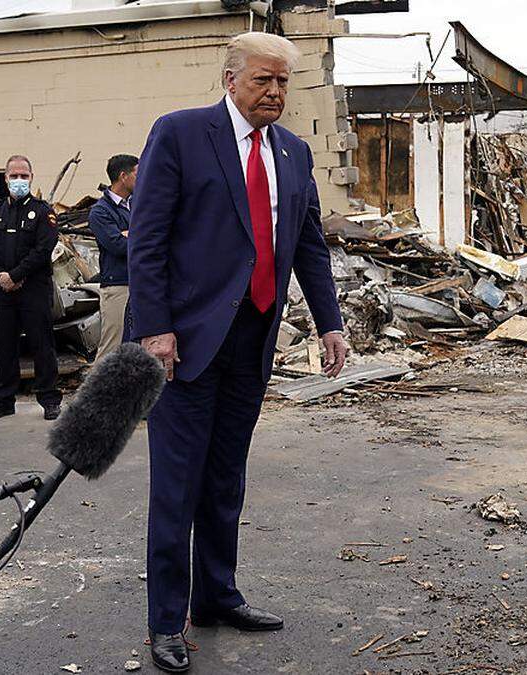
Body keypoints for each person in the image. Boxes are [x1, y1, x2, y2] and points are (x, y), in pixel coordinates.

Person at [128, 32, 348, 673]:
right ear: (230, 80)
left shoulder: (295, 152)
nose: (275, 92)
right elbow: (147, 241)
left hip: (252, 340)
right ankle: (166, 620)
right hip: (184, 346)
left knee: (225, 480)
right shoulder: (179, 134)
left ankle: (217, 595)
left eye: (283, 82)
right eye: (263, 80)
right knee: (177, 486)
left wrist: (329, 323)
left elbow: (308, 243)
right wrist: (156, 329)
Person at [0, 155, 62, 421]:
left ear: (31, 177)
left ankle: (49, 398)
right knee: (5, 346)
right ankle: (3, 400)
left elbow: (43, 249)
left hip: (33, 289)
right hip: (1, 291)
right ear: (5, 178)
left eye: (24, 175)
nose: (19, 180)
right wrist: (3, 276)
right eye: (14, 176)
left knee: (42, 344)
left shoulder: (44, 212)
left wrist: (16, 274)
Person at [88, 153, 138, 362]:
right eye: (138, 173)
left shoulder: (136, 205)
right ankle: (98, 392)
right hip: (117, 286)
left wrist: (130, 233)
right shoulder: (101, 212)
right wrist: (138, 236)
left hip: (138, 283)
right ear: (123, 176)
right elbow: (118, 246)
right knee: (113, 346)